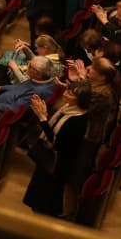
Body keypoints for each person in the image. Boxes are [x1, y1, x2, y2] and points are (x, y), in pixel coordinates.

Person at [22, 84, 88, 217]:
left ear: (81, 99)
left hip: (57, 164)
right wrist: (44, 115)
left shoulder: (78, 120)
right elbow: (54, 130)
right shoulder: (67, 108)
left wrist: (42, 118)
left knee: (44, 204)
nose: (65, 93)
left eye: (71, 93)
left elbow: (57, 143)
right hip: (49, 158)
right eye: (67, 90)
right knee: (37, 199)